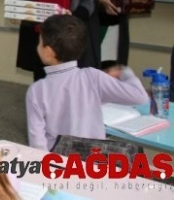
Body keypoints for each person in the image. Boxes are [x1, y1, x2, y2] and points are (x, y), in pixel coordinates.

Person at [26, 15, 148, 151]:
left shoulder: (36, 90)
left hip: (58, 163)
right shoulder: (93, 77)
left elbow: (37, 143)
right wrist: (124, 72)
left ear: (48, 52)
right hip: (93, 161)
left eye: (39, 42)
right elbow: (140, 97)